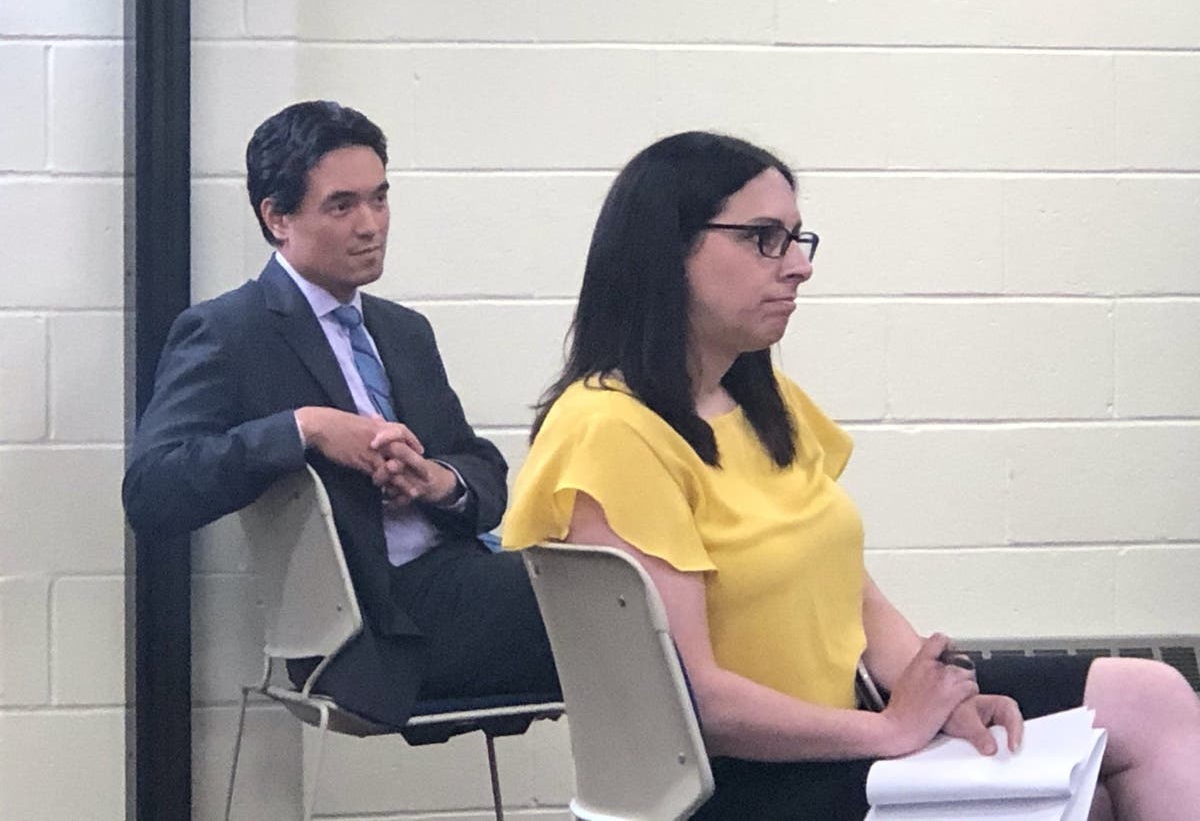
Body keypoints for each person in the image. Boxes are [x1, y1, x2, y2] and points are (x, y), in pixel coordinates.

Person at [501, 131, 1200, 819]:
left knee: (1151, 698)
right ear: (666, 251)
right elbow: (693, 702)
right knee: (1076, 794)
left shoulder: (763, 403)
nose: (797, 266)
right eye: (762, 238)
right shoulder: (608, 428)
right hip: (736, 781)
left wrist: (944, 698)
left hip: (848, 730)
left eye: (797, 239)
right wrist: (893, 731)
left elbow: (852, 594)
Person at [123, 100, 558, 728]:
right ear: (277, 218)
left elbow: (484, 474)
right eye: (342, 205)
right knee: (611, 605)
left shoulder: (403, 331)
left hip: (460, 579)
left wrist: (438, 481)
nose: (371, 224)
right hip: (370, 627)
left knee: (618, 588)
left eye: (380, 199)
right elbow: (152, 490)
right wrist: (305, 428)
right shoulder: (227, 331)